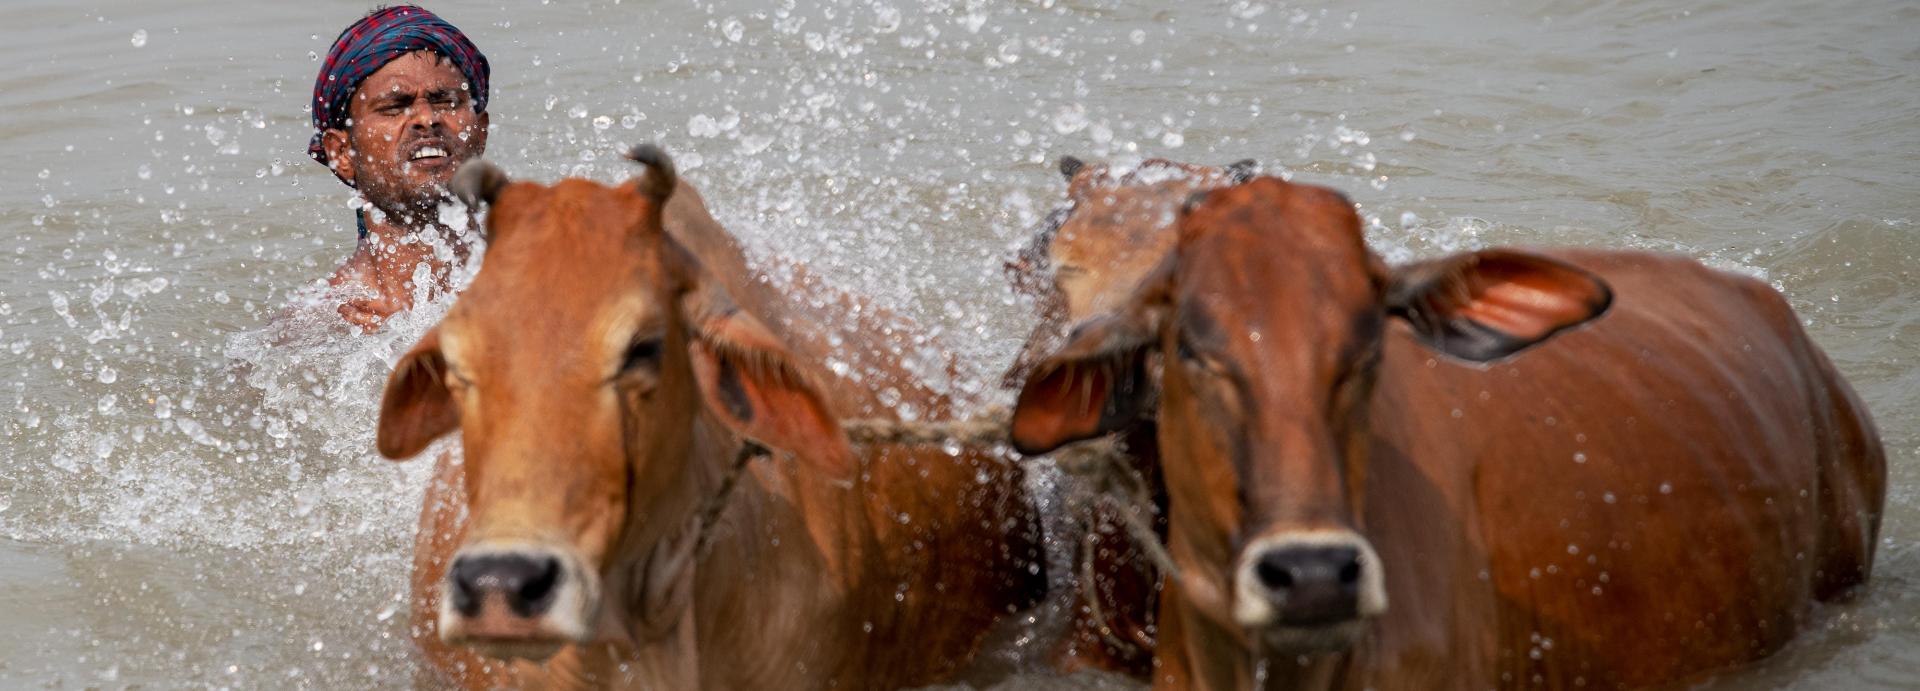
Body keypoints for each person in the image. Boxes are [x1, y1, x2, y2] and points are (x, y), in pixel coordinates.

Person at [308, 5, 491, 330]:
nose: (426, 118)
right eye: (394, 106)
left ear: (481, 132)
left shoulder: (554, 267)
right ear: (342, 153)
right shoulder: (316, 331)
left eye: (446, 101)